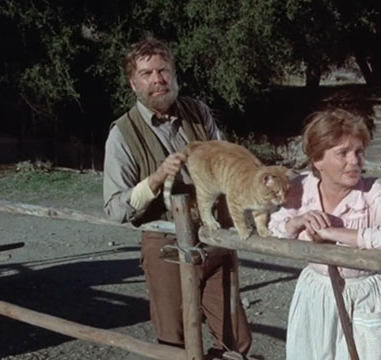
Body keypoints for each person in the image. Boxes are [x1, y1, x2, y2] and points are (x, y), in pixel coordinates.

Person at [103, 36, 251, 358]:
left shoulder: (198, 112)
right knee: (174, 342)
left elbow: (229, 164)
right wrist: (156, 179)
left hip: (214, 236)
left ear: (173, 73)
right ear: (133, 82)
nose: (158, 79)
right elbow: (114, 209)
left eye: (164, 70)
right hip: (166, 242)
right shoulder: (122, 134)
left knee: (236, 338)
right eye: (147, 73)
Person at [268, 108, 381, 359]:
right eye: (342, 153)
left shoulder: (375, 191)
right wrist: (297, 222)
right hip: (317, 293)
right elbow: (274, 228)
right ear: (317, 159)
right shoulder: (300, 187)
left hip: (364, 293)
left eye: (358, 152)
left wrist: (333, 233)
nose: (354, 161)